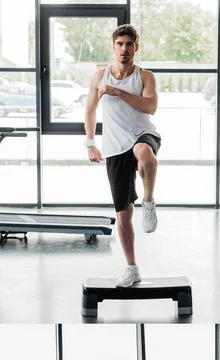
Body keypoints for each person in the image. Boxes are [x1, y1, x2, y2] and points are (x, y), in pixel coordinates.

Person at [85, 24, 161, 288]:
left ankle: (149, 201)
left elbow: (150, 106)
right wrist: (90, 144)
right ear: (113, 46)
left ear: (136, 48)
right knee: (123, 213)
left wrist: (118, 92)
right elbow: (90, 110)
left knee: (145, 153)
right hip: (115, 147)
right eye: (120, 44)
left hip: (142, 134)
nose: (125, 49)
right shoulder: (99, 76)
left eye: (130, 44)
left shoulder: (145, 76)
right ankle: (132, 268)